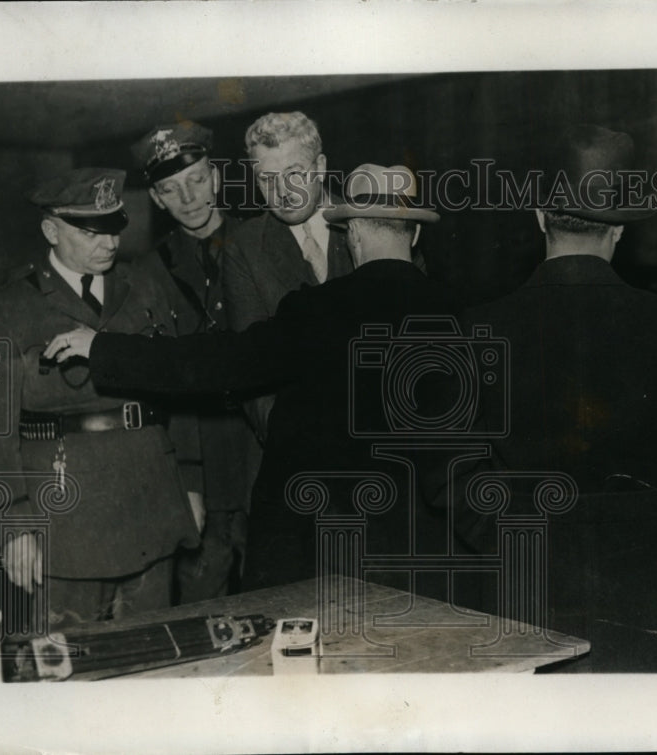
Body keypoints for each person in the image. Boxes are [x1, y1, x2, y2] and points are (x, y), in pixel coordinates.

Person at [43, 164, 454, 591]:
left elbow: (215, 361)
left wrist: (103, 347)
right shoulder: (456, 314)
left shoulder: (315, 311)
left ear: (352, 234)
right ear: (416, 234)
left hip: (317, 550)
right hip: (418, 551)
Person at [440, 125, 657, 671]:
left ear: (539, 217)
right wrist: (642, 531)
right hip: (634, 592)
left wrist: (510, 536)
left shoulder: (477, 328)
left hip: (521, 591)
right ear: (618, 230)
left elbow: (449, 474)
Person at [0, 168, 202, 631]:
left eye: (114, 227)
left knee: (154, 657)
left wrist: (192, 483)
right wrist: (14, 524)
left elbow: (186, 387)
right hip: (65, 519)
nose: (108, 243)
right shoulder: (6, 307)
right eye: (90, 231)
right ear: (51, 230)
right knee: (66, 666)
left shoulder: (147, 288)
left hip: (151, 505)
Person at [131, 121, 260, 602]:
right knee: (201, 615)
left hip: (260, 459)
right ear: (158, 200)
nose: (187, 198)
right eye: (171, 189)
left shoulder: (264, 246)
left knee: (287, 604)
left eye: (197, 180)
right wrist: (185, 480)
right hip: (197, 468)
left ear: (218, 178)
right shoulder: (147, 272)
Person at [224, 111, 354, 439]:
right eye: (267, 179)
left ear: (320, 167)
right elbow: (252, 371)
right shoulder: (245, 247)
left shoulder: (370, 221)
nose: (283, 192)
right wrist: (293, 441)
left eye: (294, 174)